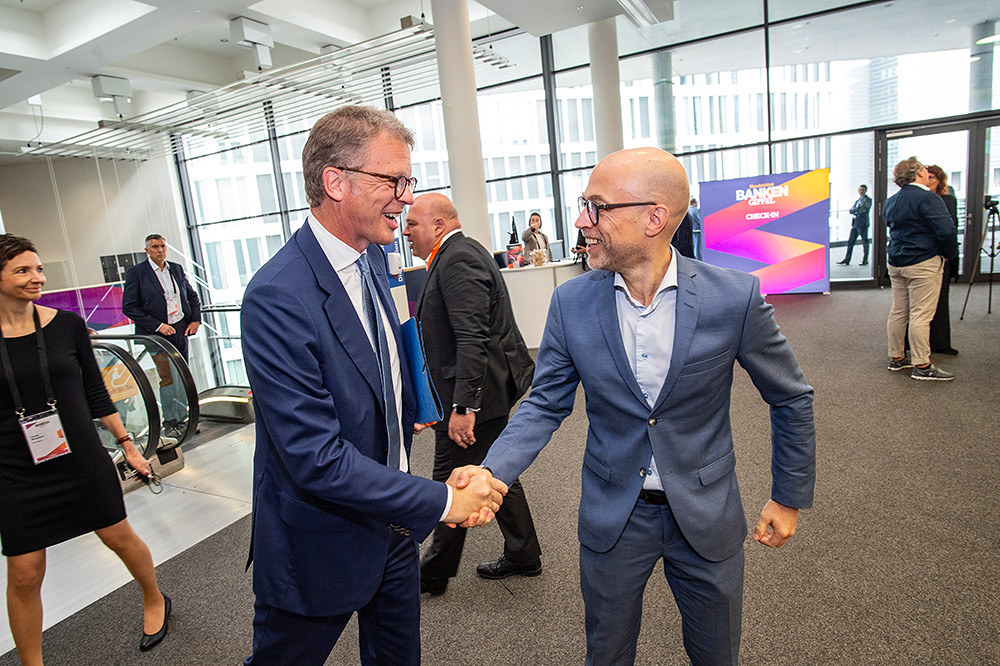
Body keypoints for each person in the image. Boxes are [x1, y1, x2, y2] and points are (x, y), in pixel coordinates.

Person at [480, 147, 817, 666]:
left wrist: (787, 497)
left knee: (716, 656)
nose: (581, 221)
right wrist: (492, 473)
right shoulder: (572, 303)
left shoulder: (734, 298)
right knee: (607, 654)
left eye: (597, 207)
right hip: (614, 513)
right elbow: (545, 404)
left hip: (706, 512)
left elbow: (790, 396)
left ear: (654, 218)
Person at [239, 106, 507, 666]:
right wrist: (443, 500)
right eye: (394, 181)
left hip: (395, 528)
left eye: (408, 181)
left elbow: (387, 356)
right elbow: (315, 458)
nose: (407, 198)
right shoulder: (277, 295)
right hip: (319, 540)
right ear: (336, 181)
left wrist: (418, 409)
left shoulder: (375, 260)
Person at [0, 234, 170, 665]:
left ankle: (155, 598)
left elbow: (96, 393)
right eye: (22, 270)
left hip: (80, 457)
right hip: (14, 468)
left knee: (118, 536)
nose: (37, 277)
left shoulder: (67, 326)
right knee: (24, 573)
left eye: (39, 268)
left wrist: (128, 445)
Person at [402, 193, 542, 596]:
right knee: (493, 468)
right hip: (481, 392)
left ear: (438, 225)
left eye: (412, 223)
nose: (405, 231)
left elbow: (471, 338)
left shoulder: (459, 258)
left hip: (475, 398)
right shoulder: (454, 254)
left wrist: (464, 407)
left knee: (452, 480)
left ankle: (433, 572)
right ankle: (523, 553)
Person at [884, 157, 959, 381]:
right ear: (918, 173)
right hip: (923, 261)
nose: (927, 173)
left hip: (896, 262)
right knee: (921, 314)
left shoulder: (891, 201)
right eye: (925, 170)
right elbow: (946, 231)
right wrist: (949, 254)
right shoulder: (928, 198)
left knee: (899, 311)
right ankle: (922, 365)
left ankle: (897, 358)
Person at [122, 234, 201, 361]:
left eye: (163, 246)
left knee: (184, 369)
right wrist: (158, 326)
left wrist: (196, 320)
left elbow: (192, 296)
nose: (160, 250)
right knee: (167, 372)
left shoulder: (176, 268)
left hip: (179, 328)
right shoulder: (136, 272)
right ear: (147, 250)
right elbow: (128, 307)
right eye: (155, 247)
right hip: (156, 332)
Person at [925, 165, 959, 355]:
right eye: (927, 177)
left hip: (941, 255)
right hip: (923, 255)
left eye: (932, 177)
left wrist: (947, 253)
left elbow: (950, 228)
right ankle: (914, 342)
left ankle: (940, 342)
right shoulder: (921, 199)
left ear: (940, 180)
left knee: (940, 299)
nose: (929, 181)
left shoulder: (947, 200)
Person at [837, 184, 873, 266]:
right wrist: (855, 210)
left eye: (863, 190)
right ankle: (847, 259)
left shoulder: (868, 200)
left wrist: (855, 210)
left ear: (866, 191)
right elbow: (852, 210)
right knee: (850, 242)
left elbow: (862, 209)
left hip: (863, 224)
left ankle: (865, 260)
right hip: (855, 224)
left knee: (865, 242)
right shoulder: (858, 201)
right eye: (860, 190)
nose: (861, 191)